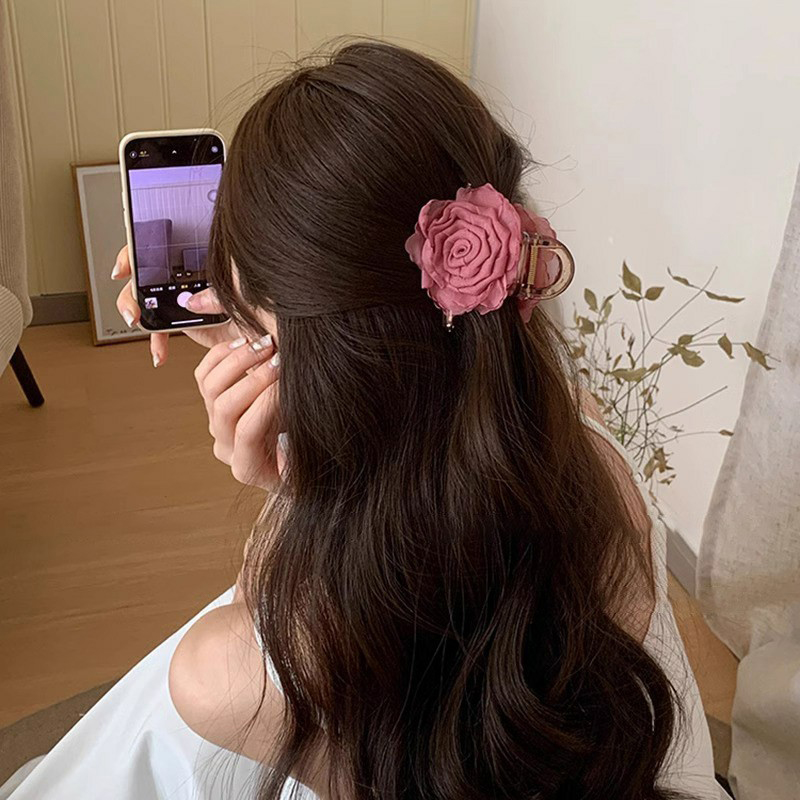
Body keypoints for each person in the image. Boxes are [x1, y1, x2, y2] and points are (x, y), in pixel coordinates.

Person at [5, 41, 727, 800]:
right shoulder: (589, 448)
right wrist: (280, 337)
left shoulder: (232, 672)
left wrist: (291, 484)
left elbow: (287, 616)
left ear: (290, 344)